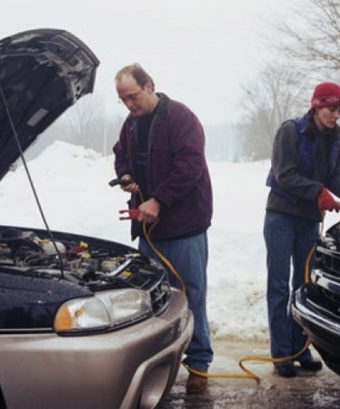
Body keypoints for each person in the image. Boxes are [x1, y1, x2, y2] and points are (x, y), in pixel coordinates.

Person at [112, 64, 213, 394]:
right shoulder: (131, 125)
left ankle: (198, 363)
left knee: (191, 293)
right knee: (156, 301)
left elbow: (190, 165)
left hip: (184, 227)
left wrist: (158, 200)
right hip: (149, 231)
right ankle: (161, 362)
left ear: (150, 85)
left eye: (133, 96)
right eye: (123, 100)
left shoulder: (182, 118)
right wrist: (126, 176)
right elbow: (120, 155)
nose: (129, 105)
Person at [264, 82, 340, 378]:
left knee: (305, 285)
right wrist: (320, 193)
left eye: (338, 109)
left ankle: (301, 349)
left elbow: (332, 177)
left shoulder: (338, 138)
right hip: (280, 217)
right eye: (329, 108)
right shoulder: (290, 131)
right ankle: (282, 353)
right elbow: (285, 175)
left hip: (309, 219)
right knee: (279, 285)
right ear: (316, 106)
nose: (335, 115)